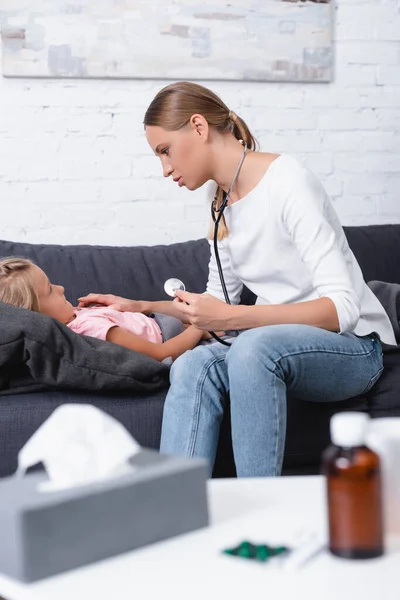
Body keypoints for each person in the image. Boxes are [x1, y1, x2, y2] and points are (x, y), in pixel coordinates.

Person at [79, 81, 396, 477]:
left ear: (198, 127)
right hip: (274, 345)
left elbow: (342, 309)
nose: (164, 169)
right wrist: (141, 305)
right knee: (192, 365)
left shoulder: (288, 181)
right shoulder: (220, 201)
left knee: (250, 349)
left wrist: (235, 319)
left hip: (354, 347)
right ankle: (177, 509)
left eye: (165, 151)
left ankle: (261, 519)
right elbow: (215, 301)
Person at [0, 257, 213, 362]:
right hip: (176, 340)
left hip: (172, 326)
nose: (61, 288)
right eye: (49, 290)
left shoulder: (77, 317)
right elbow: (160, 353)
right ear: (35, 317)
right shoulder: (88, 330)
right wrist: (199, 329)